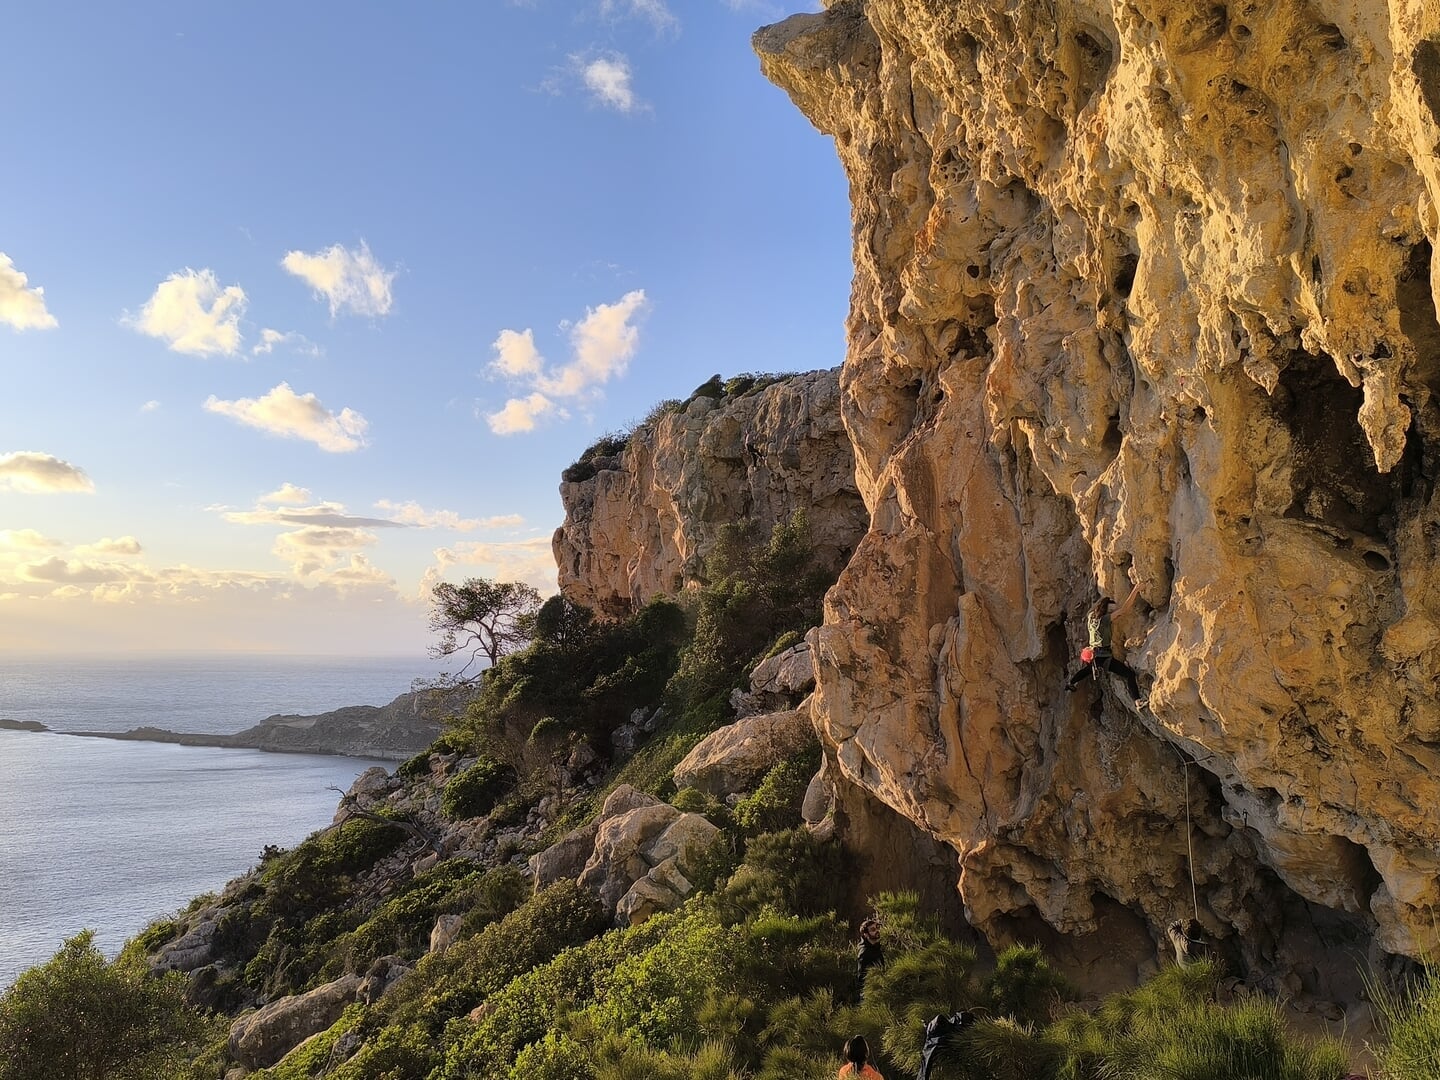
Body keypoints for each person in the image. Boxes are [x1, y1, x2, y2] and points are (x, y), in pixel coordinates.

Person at [1065, 582, 1146, 708]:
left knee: (1088, 670)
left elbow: (1097, 607)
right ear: (1106, 610)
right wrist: (1136, 590)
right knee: (1129, 674)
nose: (1114, 611)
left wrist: (1104, 601)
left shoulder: (1091, 617)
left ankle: (1071, 682)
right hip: (1103, 656)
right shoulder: (1104, 620)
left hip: (1093, 654)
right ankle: (1137, 701)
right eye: (1111, 609)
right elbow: (1124, 610)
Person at [857, 918, 885, 995]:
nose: (877, 931)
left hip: (880, 988)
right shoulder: (864, 953)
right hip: (871, 993)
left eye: (877, 928)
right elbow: (862, 978)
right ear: (866, 935)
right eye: (873, 929)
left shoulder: (877, 947)